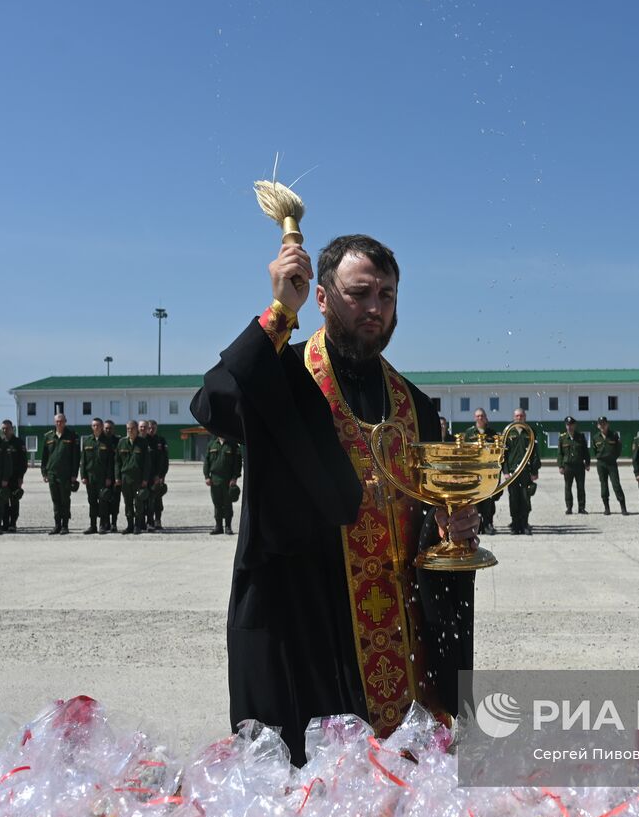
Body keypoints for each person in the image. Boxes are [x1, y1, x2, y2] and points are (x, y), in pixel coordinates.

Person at [189, 233, 479, 764]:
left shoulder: (416, 405)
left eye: (387, 296)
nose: (375, 308)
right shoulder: (286, 376)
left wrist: (452, 529)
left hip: (403, 634)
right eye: (359, 292)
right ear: (320, 297)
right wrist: (280, 310)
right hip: (312, 622)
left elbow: (436, 510)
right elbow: (213, 401)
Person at [502, 407, 540, 534]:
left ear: (525, 417)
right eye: (517, 416)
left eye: (521, 416)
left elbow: (535, 453)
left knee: (525, 498)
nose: (519, 418)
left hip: (525, 472)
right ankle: (515, 524)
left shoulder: (530, 432)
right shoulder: (508, 432)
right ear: (514, 417)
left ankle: (524, 523)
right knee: (513, 498)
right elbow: (503, 454)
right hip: (512, 472)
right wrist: (505, 471)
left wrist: (534, 471)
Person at [41, 412, 80, 534]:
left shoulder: (72, 436)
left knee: (65, 500)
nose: (59, 423)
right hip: (52, 473)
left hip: (66, 474)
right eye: (57, 421)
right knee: (55, 500)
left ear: (65, 422)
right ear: (54, 422)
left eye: (61, 421)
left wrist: (74, 474)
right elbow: (44, 456)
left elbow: (76, 457)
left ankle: (65, 525)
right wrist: (44, 472)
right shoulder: (48, 436)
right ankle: (57, 525)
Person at [463, 408, 501, 533]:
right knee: (475, 500)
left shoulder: (492, 434)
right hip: (474, 471)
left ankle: (488, 524)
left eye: (482, 416)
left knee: (489, 499)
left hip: (488, 471)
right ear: (475, 418)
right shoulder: (469, 434)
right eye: (477, 416)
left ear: (485, 417)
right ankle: (476, 525)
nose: (480, 418)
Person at [115, 420, 156, 534]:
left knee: (138, 503)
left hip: (138, 479)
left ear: (137, 429)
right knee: (128, 503)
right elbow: (117, 462)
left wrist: (145, 479)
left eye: (132, 428)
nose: (130, 431)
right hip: (125, 479)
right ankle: (129, 525)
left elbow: (147, 463)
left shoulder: (142, 443)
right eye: (128, 428)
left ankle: (138, 525)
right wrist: (117, 477)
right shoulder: (122, 442)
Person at [80, 418, 115, 535]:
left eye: (98, 425)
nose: (96, 427)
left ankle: (102, 525)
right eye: (94, 425)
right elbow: (83, 461)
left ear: (101, 427)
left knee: (103, 502)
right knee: (92, 502)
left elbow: (111, 462)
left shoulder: (107, 442)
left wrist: (109, 477)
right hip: (90, 478)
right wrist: (83, 475)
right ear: (92, 427)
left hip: (103, 478)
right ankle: (92, 525)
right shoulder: (87, 441)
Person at [204, 434, 243, 535]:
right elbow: (206, 462)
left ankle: (228, 527)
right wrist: (206, 476)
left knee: (227, 503)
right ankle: (218, 526)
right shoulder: (211, 444)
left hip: (228, 480)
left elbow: (237, 463)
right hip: (214, 479)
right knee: (217, 503)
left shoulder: (233, 445)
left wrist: (234, 478)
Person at [591, 416, 629, 516]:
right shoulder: (595, 437)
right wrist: (601, 457)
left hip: (612, 463)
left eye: (604, 423)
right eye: (600, 424)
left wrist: (613, 457)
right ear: (598, 426)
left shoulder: (614, 435)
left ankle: (623, 507)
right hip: (601, 464)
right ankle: (607, 508)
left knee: (616, 485)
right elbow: (594, 451)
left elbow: (618, 448)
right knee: (604, 485)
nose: (602, 426)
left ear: (607, 424)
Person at [558, 416, 591, 514]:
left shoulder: (580, 437)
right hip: (568, 466)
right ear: (566, 426)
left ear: (574, 425)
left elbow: (586, 451)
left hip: (579, 466)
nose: (570, 427)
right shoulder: (562, 438)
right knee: (568, 487)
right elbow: (560, 453)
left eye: (571, 425)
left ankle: (581, 507)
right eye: (568, 425)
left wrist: (587, 463)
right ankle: (569, 507)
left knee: (581, 487)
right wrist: (560, 466)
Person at [0, 420, 29, 532]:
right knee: (3, 501)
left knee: (14, 500)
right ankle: (5, 523)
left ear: (12, 429)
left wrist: (21, 477)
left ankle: (13, 523)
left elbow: (23, 462)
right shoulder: (0, 443)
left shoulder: (18, 443)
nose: (5, 430)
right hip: (3, 478)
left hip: (15, 477)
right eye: (3, 428)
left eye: (7, 428)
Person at [146, 419, 170, 531]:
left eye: (153, 428)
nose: (151, 430)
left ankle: (157, 520)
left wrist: (162, 476)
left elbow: (165, 460)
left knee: (157, 499)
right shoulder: (143, 440)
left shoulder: (161, 440)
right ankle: (147, 521)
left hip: (158, 476)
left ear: (156, 428)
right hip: (146, 476)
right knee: (147, 499)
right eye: (149, 428)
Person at [101, 420, 122, 531]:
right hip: (102, 476)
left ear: (114, 429)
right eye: (106, 428)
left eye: (110, 428)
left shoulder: (119, 441)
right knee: (104, 500)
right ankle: (106, 523)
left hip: (115, 477)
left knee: (115, 500)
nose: (108, 430)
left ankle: (114, 523)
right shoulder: (100, 441)